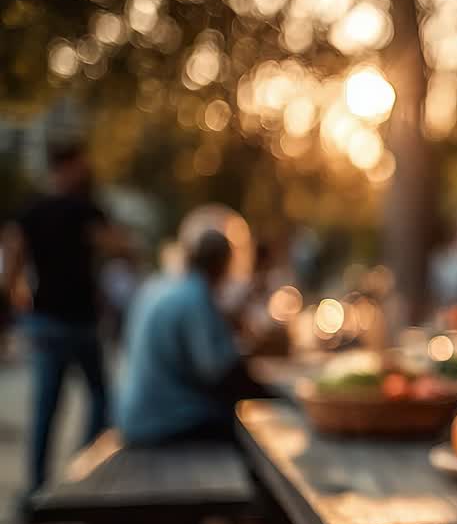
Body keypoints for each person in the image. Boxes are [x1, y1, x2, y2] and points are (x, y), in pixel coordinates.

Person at [2, 143, 112, 496]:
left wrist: (16, 296)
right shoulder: (84, 208)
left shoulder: (31, 210)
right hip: (78, 320)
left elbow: (12, 255)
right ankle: (83, 473)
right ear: (70, 166)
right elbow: (114, 245)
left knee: (47, 406)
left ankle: (38, 489)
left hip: (46, 318)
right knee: (99, 397)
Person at [115, 229, 271, 445]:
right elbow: (217, 371)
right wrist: (266, 391)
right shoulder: (195, 296)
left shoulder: (160, 285)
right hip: (162, 422)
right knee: (253, 431)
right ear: (222, 264)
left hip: (133, 416)